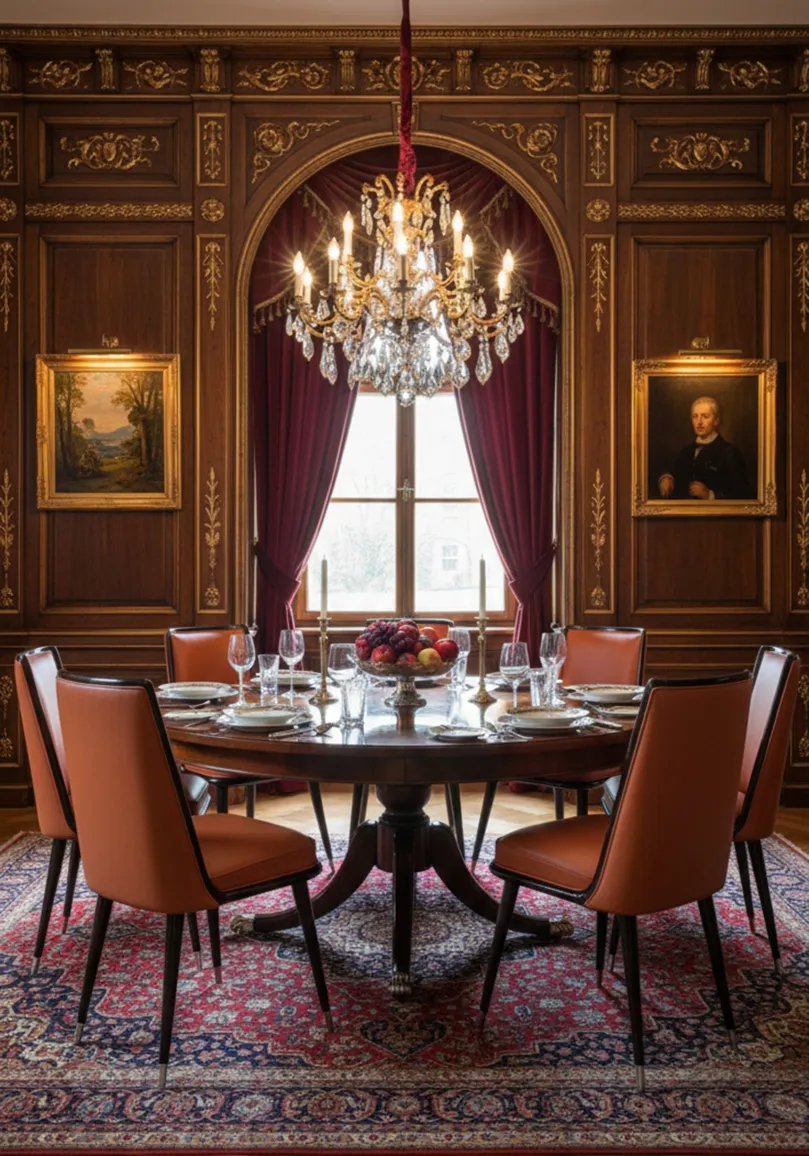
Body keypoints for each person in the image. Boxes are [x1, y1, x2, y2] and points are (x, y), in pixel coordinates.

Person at [658, 396, 751, 500]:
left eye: (705, 416)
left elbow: (742, 493)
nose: (699, 422)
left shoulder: (729, 453)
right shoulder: (686, 450)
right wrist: (667, 478)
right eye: (695, 416)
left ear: (716, 421)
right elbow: (674, 470)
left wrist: (710, 495)